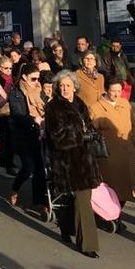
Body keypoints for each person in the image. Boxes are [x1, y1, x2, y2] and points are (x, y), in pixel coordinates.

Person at [44, 70, 101, 257]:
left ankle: (66, 227)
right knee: (82, 201)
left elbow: (88, 123)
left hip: (85, 158)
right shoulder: (53, 107)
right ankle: (88, 245)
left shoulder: (79, 103)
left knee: (75, 198)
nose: (65, 89)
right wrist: (80, 136)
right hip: (67, 161)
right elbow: (57, 137)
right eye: (61, 86)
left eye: (68, 85)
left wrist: (91, 133)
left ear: (75, 87)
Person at [90, 78, 135, 226]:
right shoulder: (96, 108)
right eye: (113, 91)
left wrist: (133, 140)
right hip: (109, 155)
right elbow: (93, 131)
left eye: (119, 91)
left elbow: (133, 124)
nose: (117, 94)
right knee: (112, 188)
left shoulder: (125, 103)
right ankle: (109, 216)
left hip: (127, 152)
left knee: (129, 187)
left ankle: (115, 215)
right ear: (106, 90)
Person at [7, 63, 47, 213]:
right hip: (24, 134)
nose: (37, 81)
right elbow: (17, 115)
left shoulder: (40, 91)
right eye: (33, 78)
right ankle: (15, 188)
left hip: (40, 133)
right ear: (24, 77)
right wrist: (33, 119)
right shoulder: (16, 92)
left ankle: (39, 201)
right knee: (28, 167)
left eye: (38, 78)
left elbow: (46, 106)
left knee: (40, 168)